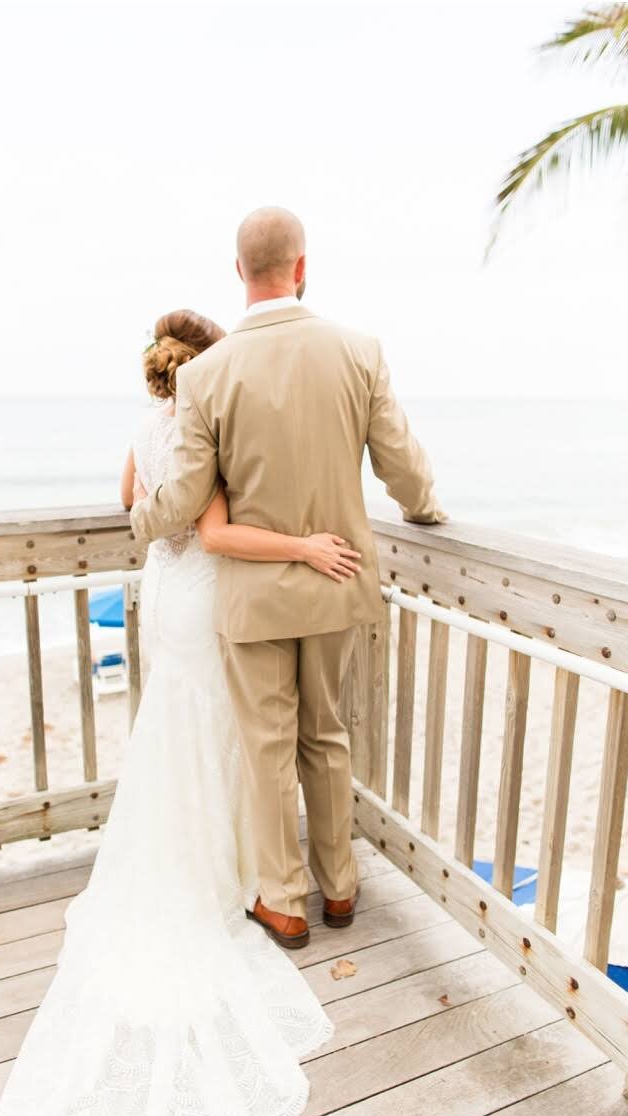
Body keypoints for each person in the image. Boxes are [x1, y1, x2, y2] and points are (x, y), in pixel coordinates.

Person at [0, 306, 363, 1116]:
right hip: (201, 598)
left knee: (178, 731)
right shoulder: (202, 431)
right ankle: (225, 877)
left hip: (159, 596)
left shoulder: (143, 431)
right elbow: (215, 531)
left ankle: (212, 866)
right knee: (221, 737)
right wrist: (307, 546)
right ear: (203, 373)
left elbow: (134, 506)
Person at [130, 206, 446, 949]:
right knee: (326, 735)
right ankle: (340, 887)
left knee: (268, 744)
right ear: (303, 266)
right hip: (336, 580)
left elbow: (182, 496)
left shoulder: (207, 374)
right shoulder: (359, 350)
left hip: (250, 591)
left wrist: (140, 521)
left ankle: (284, 900)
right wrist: (427, 509)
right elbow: (400, 462)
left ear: (240, 272)